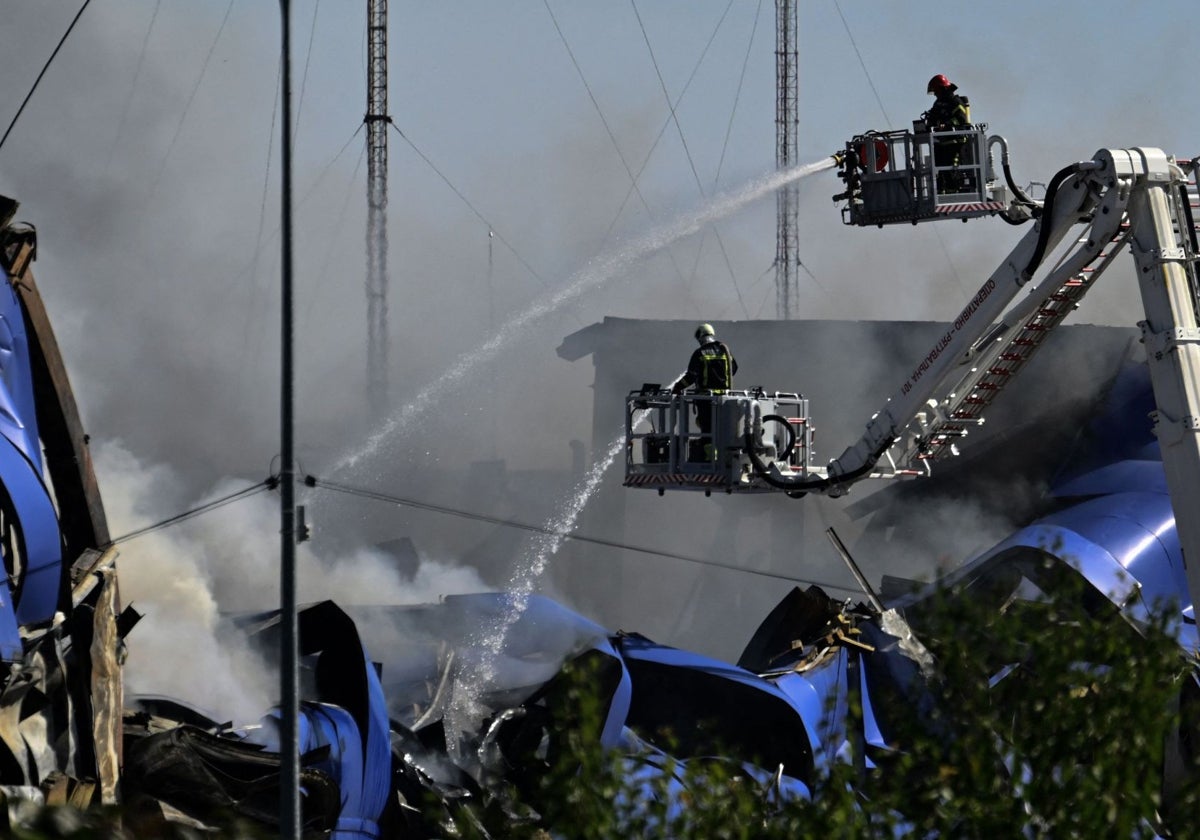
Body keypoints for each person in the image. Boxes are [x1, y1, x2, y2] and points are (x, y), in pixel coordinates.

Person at [672, 323, 738, 460]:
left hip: (706, 400)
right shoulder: (724, 349)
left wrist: (677, 387)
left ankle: (710, 458)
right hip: (725, 399)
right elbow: (734, 369)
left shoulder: (700, 353)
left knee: (707, 430)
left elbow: (690, 376)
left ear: (700, 337)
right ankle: (723, 456)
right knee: (722, 428)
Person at [922, 74, 972, 192]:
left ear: (942, 89)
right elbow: (933, 117)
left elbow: (961, 119)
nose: (935, 94)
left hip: (955, 142)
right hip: (941, 142)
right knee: (938, 168)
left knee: (951, 168)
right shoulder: (938, 104)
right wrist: (927, 124)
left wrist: (948, 125)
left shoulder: (955, 102)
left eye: (936, 91)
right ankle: (941, 192)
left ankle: (953, 191)